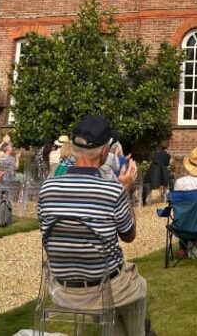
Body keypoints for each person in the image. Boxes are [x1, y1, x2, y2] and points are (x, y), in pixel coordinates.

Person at [38, 115, 146, 335]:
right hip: (102, 288)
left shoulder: (47, 189)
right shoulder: (112, 191)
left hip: (61, 287)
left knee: (113, 286)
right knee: (137, 285)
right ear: (105, 152)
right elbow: (129, 235)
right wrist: (125, 191)